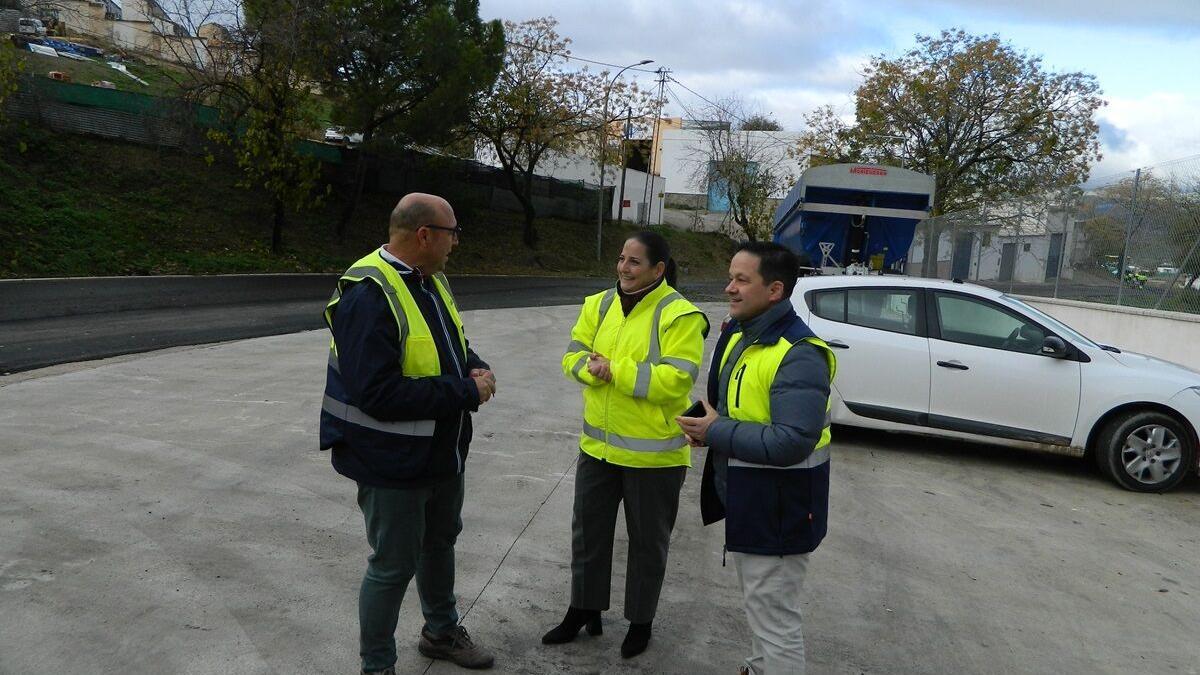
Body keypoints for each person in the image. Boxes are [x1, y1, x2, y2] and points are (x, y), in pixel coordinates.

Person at [319, 193, 498, 673]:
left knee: (440, 542)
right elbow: (377, 394)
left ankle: (440, 632)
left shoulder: (429, 281)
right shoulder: (368, 294)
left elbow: (453, 344)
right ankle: (377, 666)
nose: (456, 242)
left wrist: (474, 366)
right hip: (391, 460)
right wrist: (465, 391)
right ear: (424, 236)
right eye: (452, 232)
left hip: (440, 453)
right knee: (393, 565)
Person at [543, 230, 710, 658]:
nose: (623, 268)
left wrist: (615, 371)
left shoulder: (680, 314)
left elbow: (678, 377)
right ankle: (584, 609)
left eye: (634, 262)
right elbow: (572, 355)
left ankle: (640, 621)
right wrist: (590, 369)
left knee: (647, 544)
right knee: (588, 535)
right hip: (598, 448)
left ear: (658, 269)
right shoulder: (598, 304)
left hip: (654, 456)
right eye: (621, 259)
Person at [676, 241, 836, 675]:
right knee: (761, 609)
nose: (729, 287)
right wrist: (713, 429)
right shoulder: (742, 335)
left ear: (775, 290)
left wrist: (717, 430)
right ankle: (758, 667)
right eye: (731, 276)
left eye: (742, 280)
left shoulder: (799, 354)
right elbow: (734, 410)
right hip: (751, 500)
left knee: (775, 620)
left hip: (780, 509)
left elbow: (791, 442)